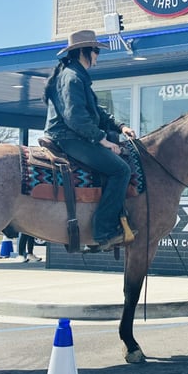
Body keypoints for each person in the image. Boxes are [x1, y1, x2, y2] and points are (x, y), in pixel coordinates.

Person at [42, 29, 137, 251]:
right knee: (121, 170)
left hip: (73, 135)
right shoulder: (72, 78)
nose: (97, 55)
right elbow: (76, 118)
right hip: (69, 138)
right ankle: (103, 231)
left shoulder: (76, 76)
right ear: (83, 52)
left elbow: (96, 112)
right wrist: (103, 140)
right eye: (96, 50)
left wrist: (120, 126)